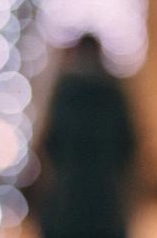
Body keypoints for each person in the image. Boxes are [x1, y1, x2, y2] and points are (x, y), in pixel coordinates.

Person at [35, 34, 137, 238]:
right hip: (104, 193)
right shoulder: (112, 92)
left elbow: (50, 141)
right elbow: (128, 142)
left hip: (69, 193)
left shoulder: (65, 92)